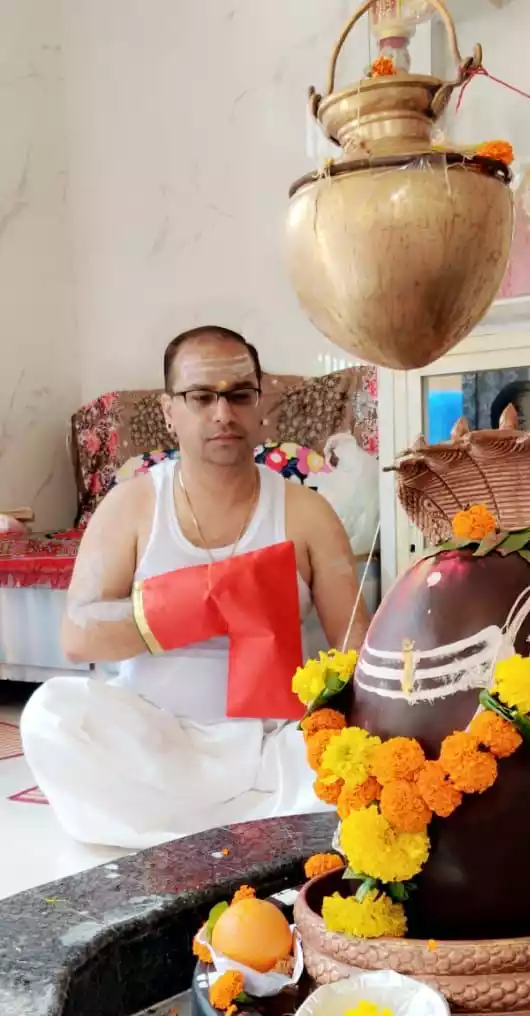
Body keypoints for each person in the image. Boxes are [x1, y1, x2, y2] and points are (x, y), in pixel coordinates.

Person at [21, 326, 369, 849]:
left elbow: (356, 649)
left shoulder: (307, 512)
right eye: (201, 397)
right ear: (169, 411)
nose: (223, 413)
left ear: (260, 403)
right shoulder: (131, 505)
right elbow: (78, 635)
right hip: (154, 742)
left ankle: (197, 833)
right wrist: (209, 598)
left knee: (362, 748)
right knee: (51, 716)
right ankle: (251, 835)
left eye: (239, 395)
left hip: (272, 749)